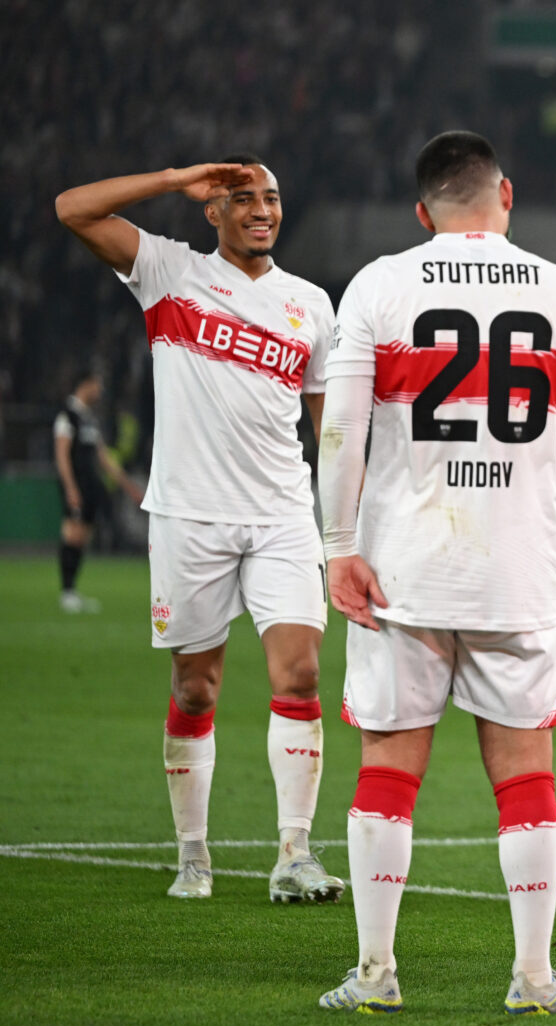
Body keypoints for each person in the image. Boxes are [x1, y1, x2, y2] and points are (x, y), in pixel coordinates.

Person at [316, 131, 556, 1016]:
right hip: (513, 572)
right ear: (505, 195)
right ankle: (532, 977)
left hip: (401, 569)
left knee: (388, 766)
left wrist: (337, 544)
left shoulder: (379, 282)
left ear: (422, 210)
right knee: (525, 770)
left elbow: (340, 429)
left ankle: (375, 972)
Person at [55, 156, 345, 904]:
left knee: (303, 674)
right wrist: (173, 178)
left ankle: (295, 853)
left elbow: (327, 423)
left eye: (272, 197)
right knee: (195, 685)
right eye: (242, 198)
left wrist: (347, 518)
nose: (261, 209)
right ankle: (193, 853)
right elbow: (72, 208)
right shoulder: (168, 271)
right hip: (189, 513)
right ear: (211, 211)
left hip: (283, 512)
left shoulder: (310, 303)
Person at [53, 368, 144, 613]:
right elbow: (62, 456)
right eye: (97, 384)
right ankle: (66, 592)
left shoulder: (89, 418)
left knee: (82, 537)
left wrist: (130, 488)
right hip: (76, 484)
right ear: (86, 384)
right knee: (72, 533)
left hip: (91, 484)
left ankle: (71, 591)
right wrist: (70, 488)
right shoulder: (67, 416)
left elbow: (103, 458)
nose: (100, 390)